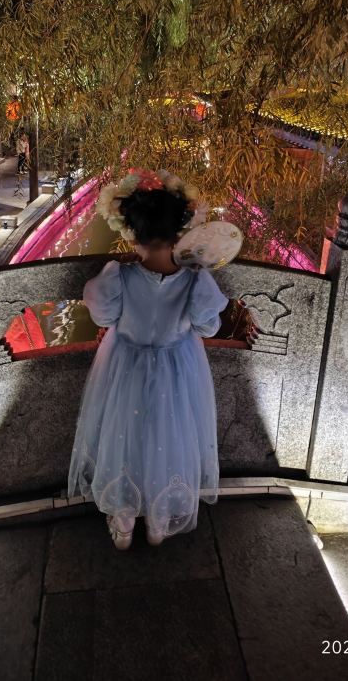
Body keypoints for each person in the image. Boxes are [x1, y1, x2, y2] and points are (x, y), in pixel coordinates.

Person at [68, 169, 228, 550]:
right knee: (169, 442)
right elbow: (208, 326)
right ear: (179, 232)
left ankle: (123, 523)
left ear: (132, 233)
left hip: (125, 368)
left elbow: (103, 317)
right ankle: (158, 522)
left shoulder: (118, 276)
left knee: (123, 440)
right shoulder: (195, 280)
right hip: (178, 373)